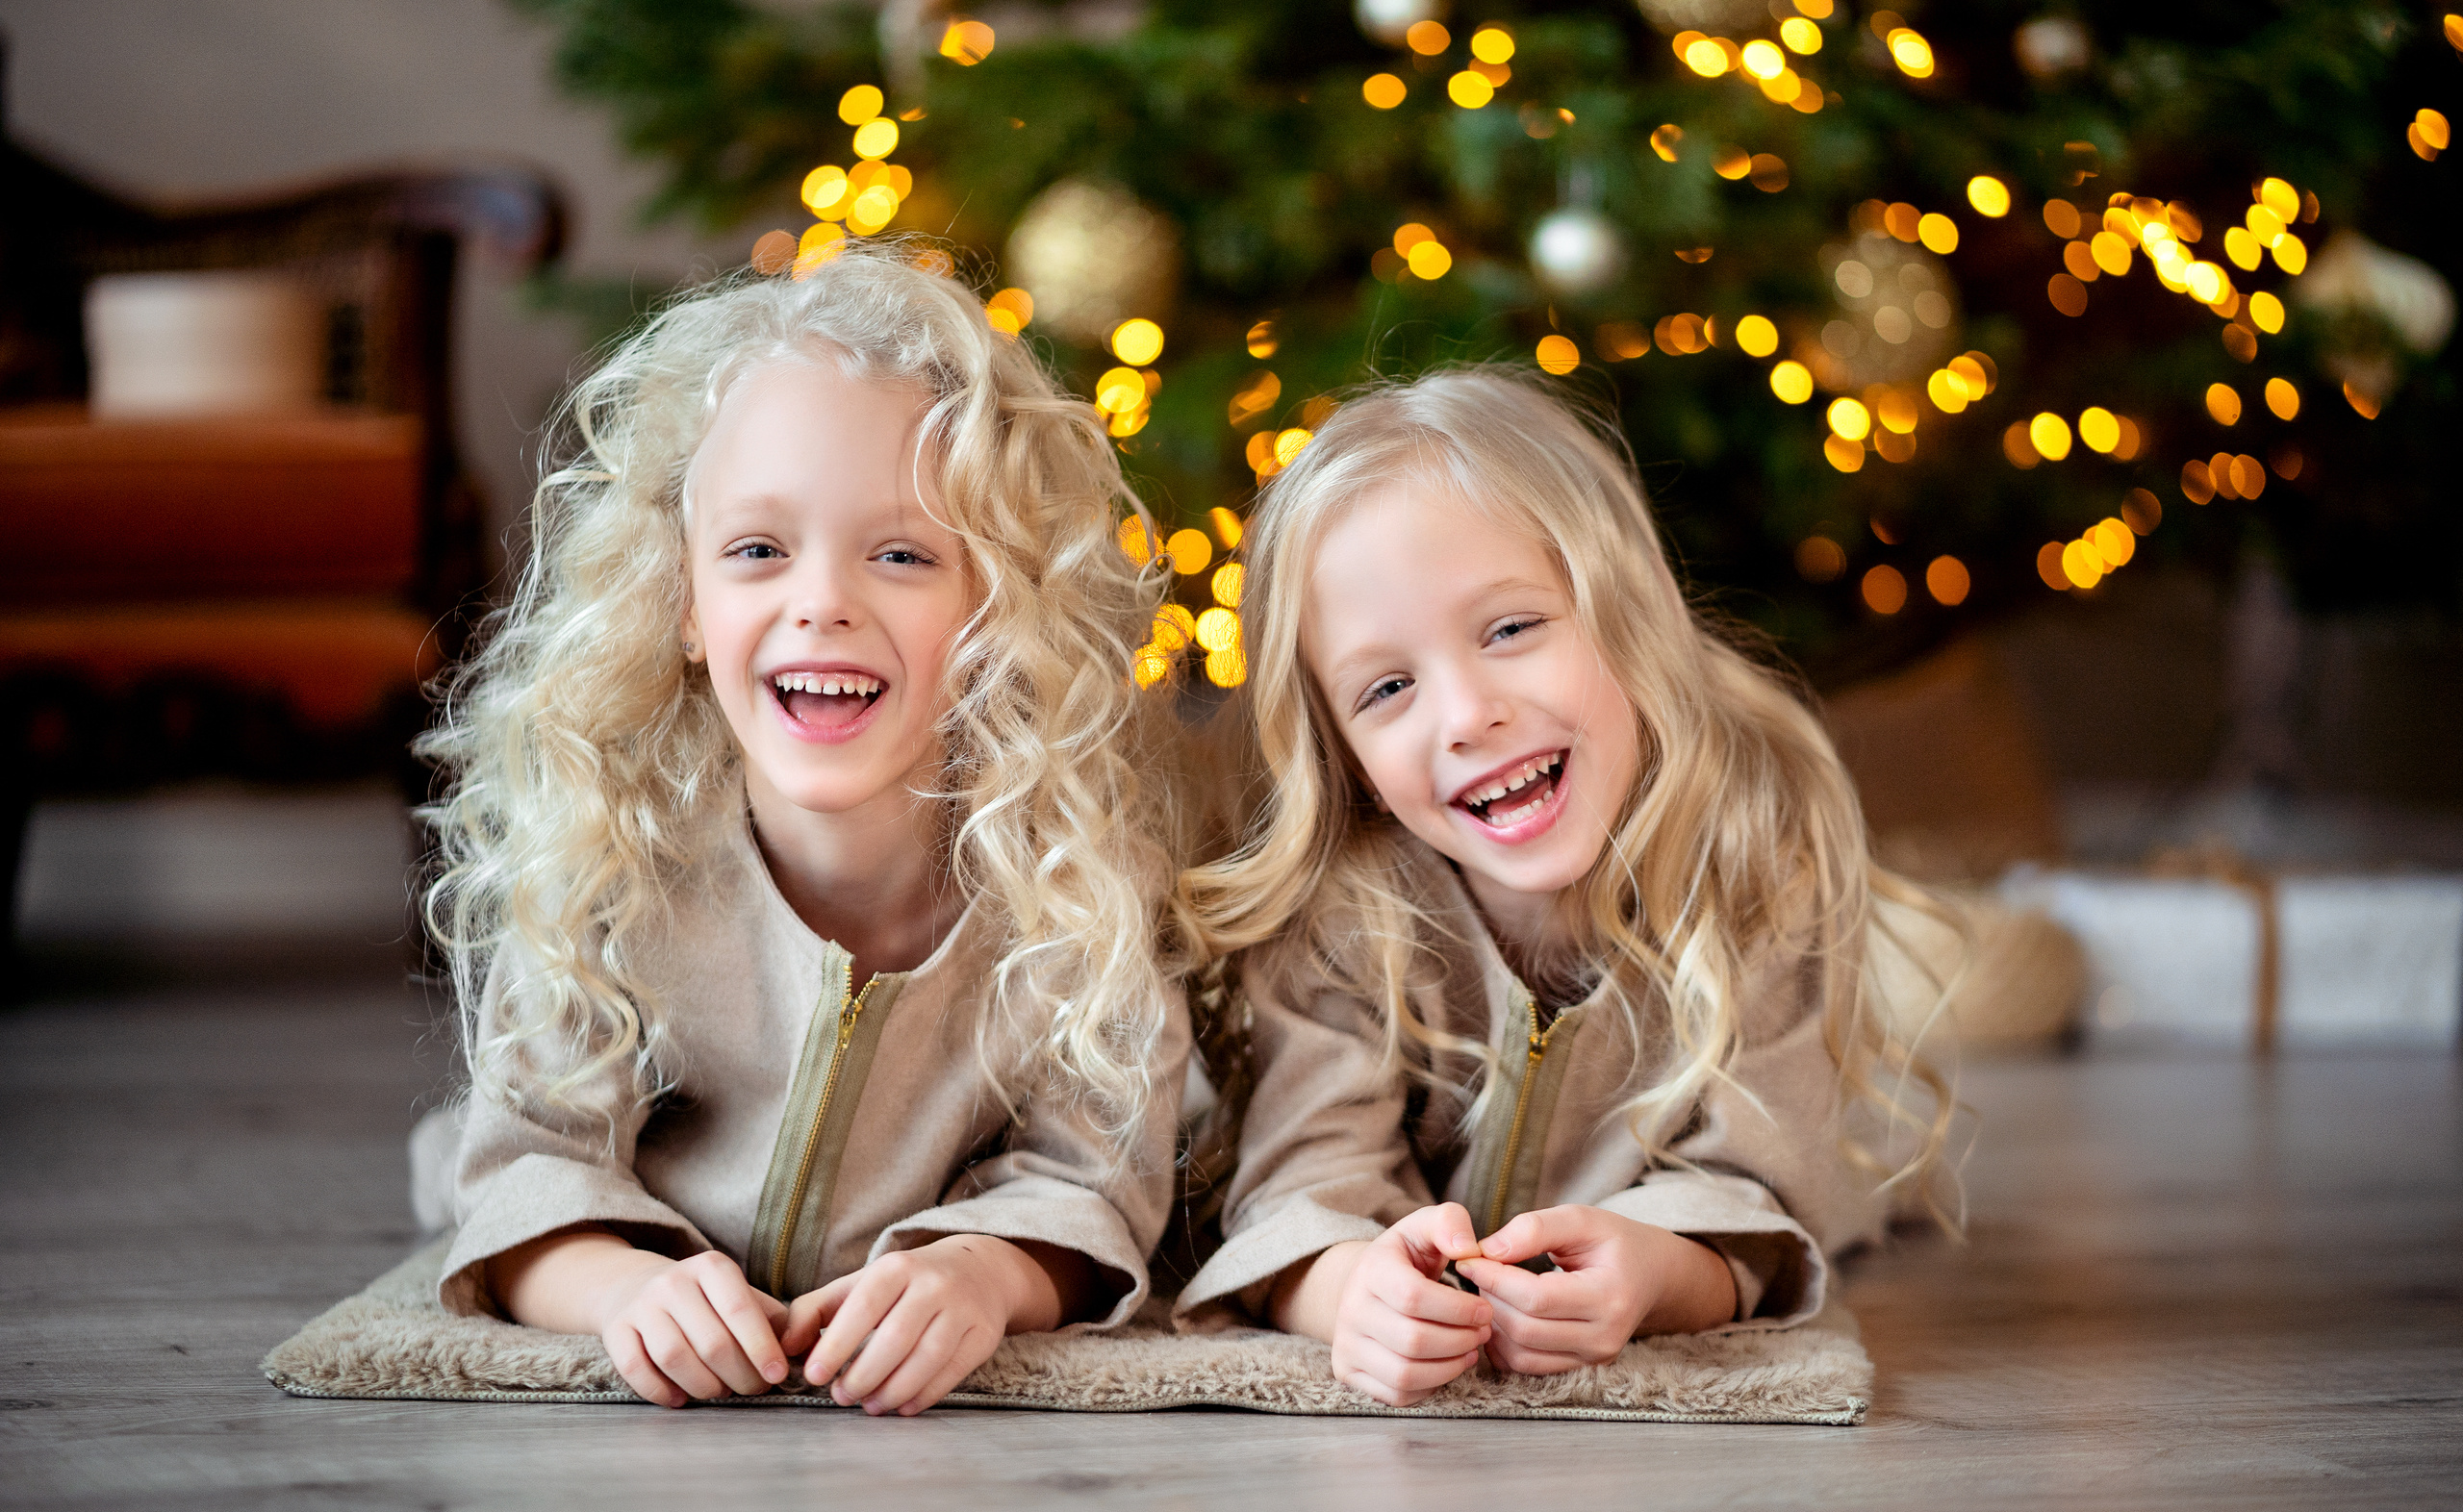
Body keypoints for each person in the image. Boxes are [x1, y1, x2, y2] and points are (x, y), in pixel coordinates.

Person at [417, 241, 1191, 1415]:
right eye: (757, 552)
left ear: (993, 606)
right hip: (662, 1225)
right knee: (453, 1160)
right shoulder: (610, 864)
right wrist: (615, 1286)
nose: (821, 600)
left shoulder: (1070, 886)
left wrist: (983, 1273)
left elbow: (1098, 1186)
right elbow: (529, 1173)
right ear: (683, 602)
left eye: (900, 554)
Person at [1175, 367, 1953, 1406]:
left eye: (1510, 629)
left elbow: (1759, 1191)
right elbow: (1301, 1186)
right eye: (1387, 688)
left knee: (1857, 1167)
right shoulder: (1344, 912)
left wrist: (1659, 1273)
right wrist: (1348, 1289)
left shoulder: (1752, 845)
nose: (1464, 714)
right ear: (1343, 752)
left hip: (1791, 1159)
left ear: (1623, 608)